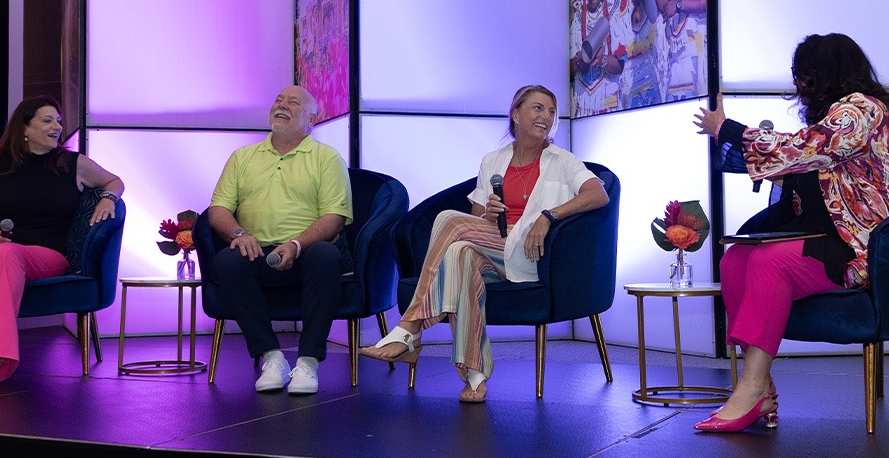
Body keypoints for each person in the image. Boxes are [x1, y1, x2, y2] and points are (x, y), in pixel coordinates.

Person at [692, 33, 889, 432]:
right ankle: (762, 389)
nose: (799, 85)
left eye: (804, 75)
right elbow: (805, 164)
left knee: (771, 262)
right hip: (827, 237)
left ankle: (750, 388)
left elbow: (804, 149)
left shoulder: (861, 110)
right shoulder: (836, 116)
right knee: (735, 260)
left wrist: (729, 129)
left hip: (864, 244)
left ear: (825, 73)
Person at [360, 85, 610, 402]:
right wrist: (488, 215)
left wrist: (549, 215)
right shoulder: (493, 160)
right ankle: (475, 376)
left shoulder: (562, 160)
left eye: (551, 111)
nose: (546, 116)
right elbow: (475, 220)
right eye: (537, 108)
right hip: (494, 247)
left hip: (533, 254)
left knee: (448, 220)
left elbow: (598, 194)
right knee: (459, 253)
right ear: (515, 114)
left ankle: (410, 326)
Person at [0, 96, 124, 389]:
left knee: (6, 254)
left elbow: (115, 181)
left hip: (46, 254)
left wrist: (108, 197)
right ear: (25, 128)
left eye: (59, 121)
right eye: (47, 120)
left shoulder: (72, 163)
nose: (57, 127)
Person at [209, 85, 352, 395]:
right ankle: (272, 358)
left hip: (306, 252)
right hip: (256, 252)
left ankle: (308, 361)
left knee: (326, 255)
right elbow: (218, 209)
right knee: (228, 260)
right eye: (278, 100)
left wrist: (296, 244)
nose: (282, 105)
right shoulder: (242, 157)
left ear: (311, 120)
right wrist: (239, 235)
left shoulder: (327, 157)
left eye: (293, 102)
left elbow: (334, 217)